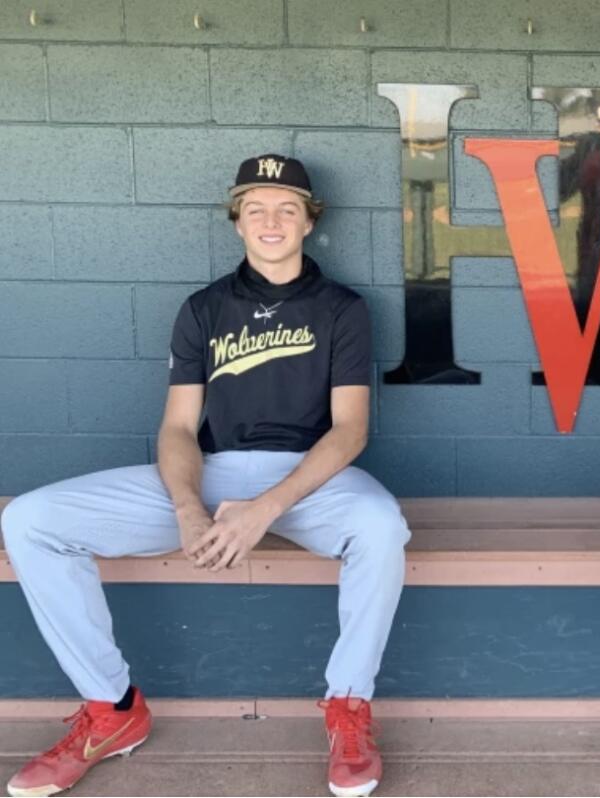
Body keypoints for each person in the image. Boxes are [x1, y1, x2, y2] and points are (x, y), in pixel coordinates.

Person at [2, 154, 409, 798]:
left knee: (382, 526)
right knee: (29, 519)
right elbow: (177, 429)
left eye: (286, 209)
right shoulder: (204, 308)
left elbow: (350, 431)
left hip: (309, 484)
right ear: (237, 222)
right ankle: (113, 709)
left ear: (309, 222)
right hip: (212, 475)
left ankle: (349, 708)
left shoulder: (341, 308)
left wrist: (265, 508)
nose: (270, 221)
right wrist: (189, 508)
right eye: (256, 209)